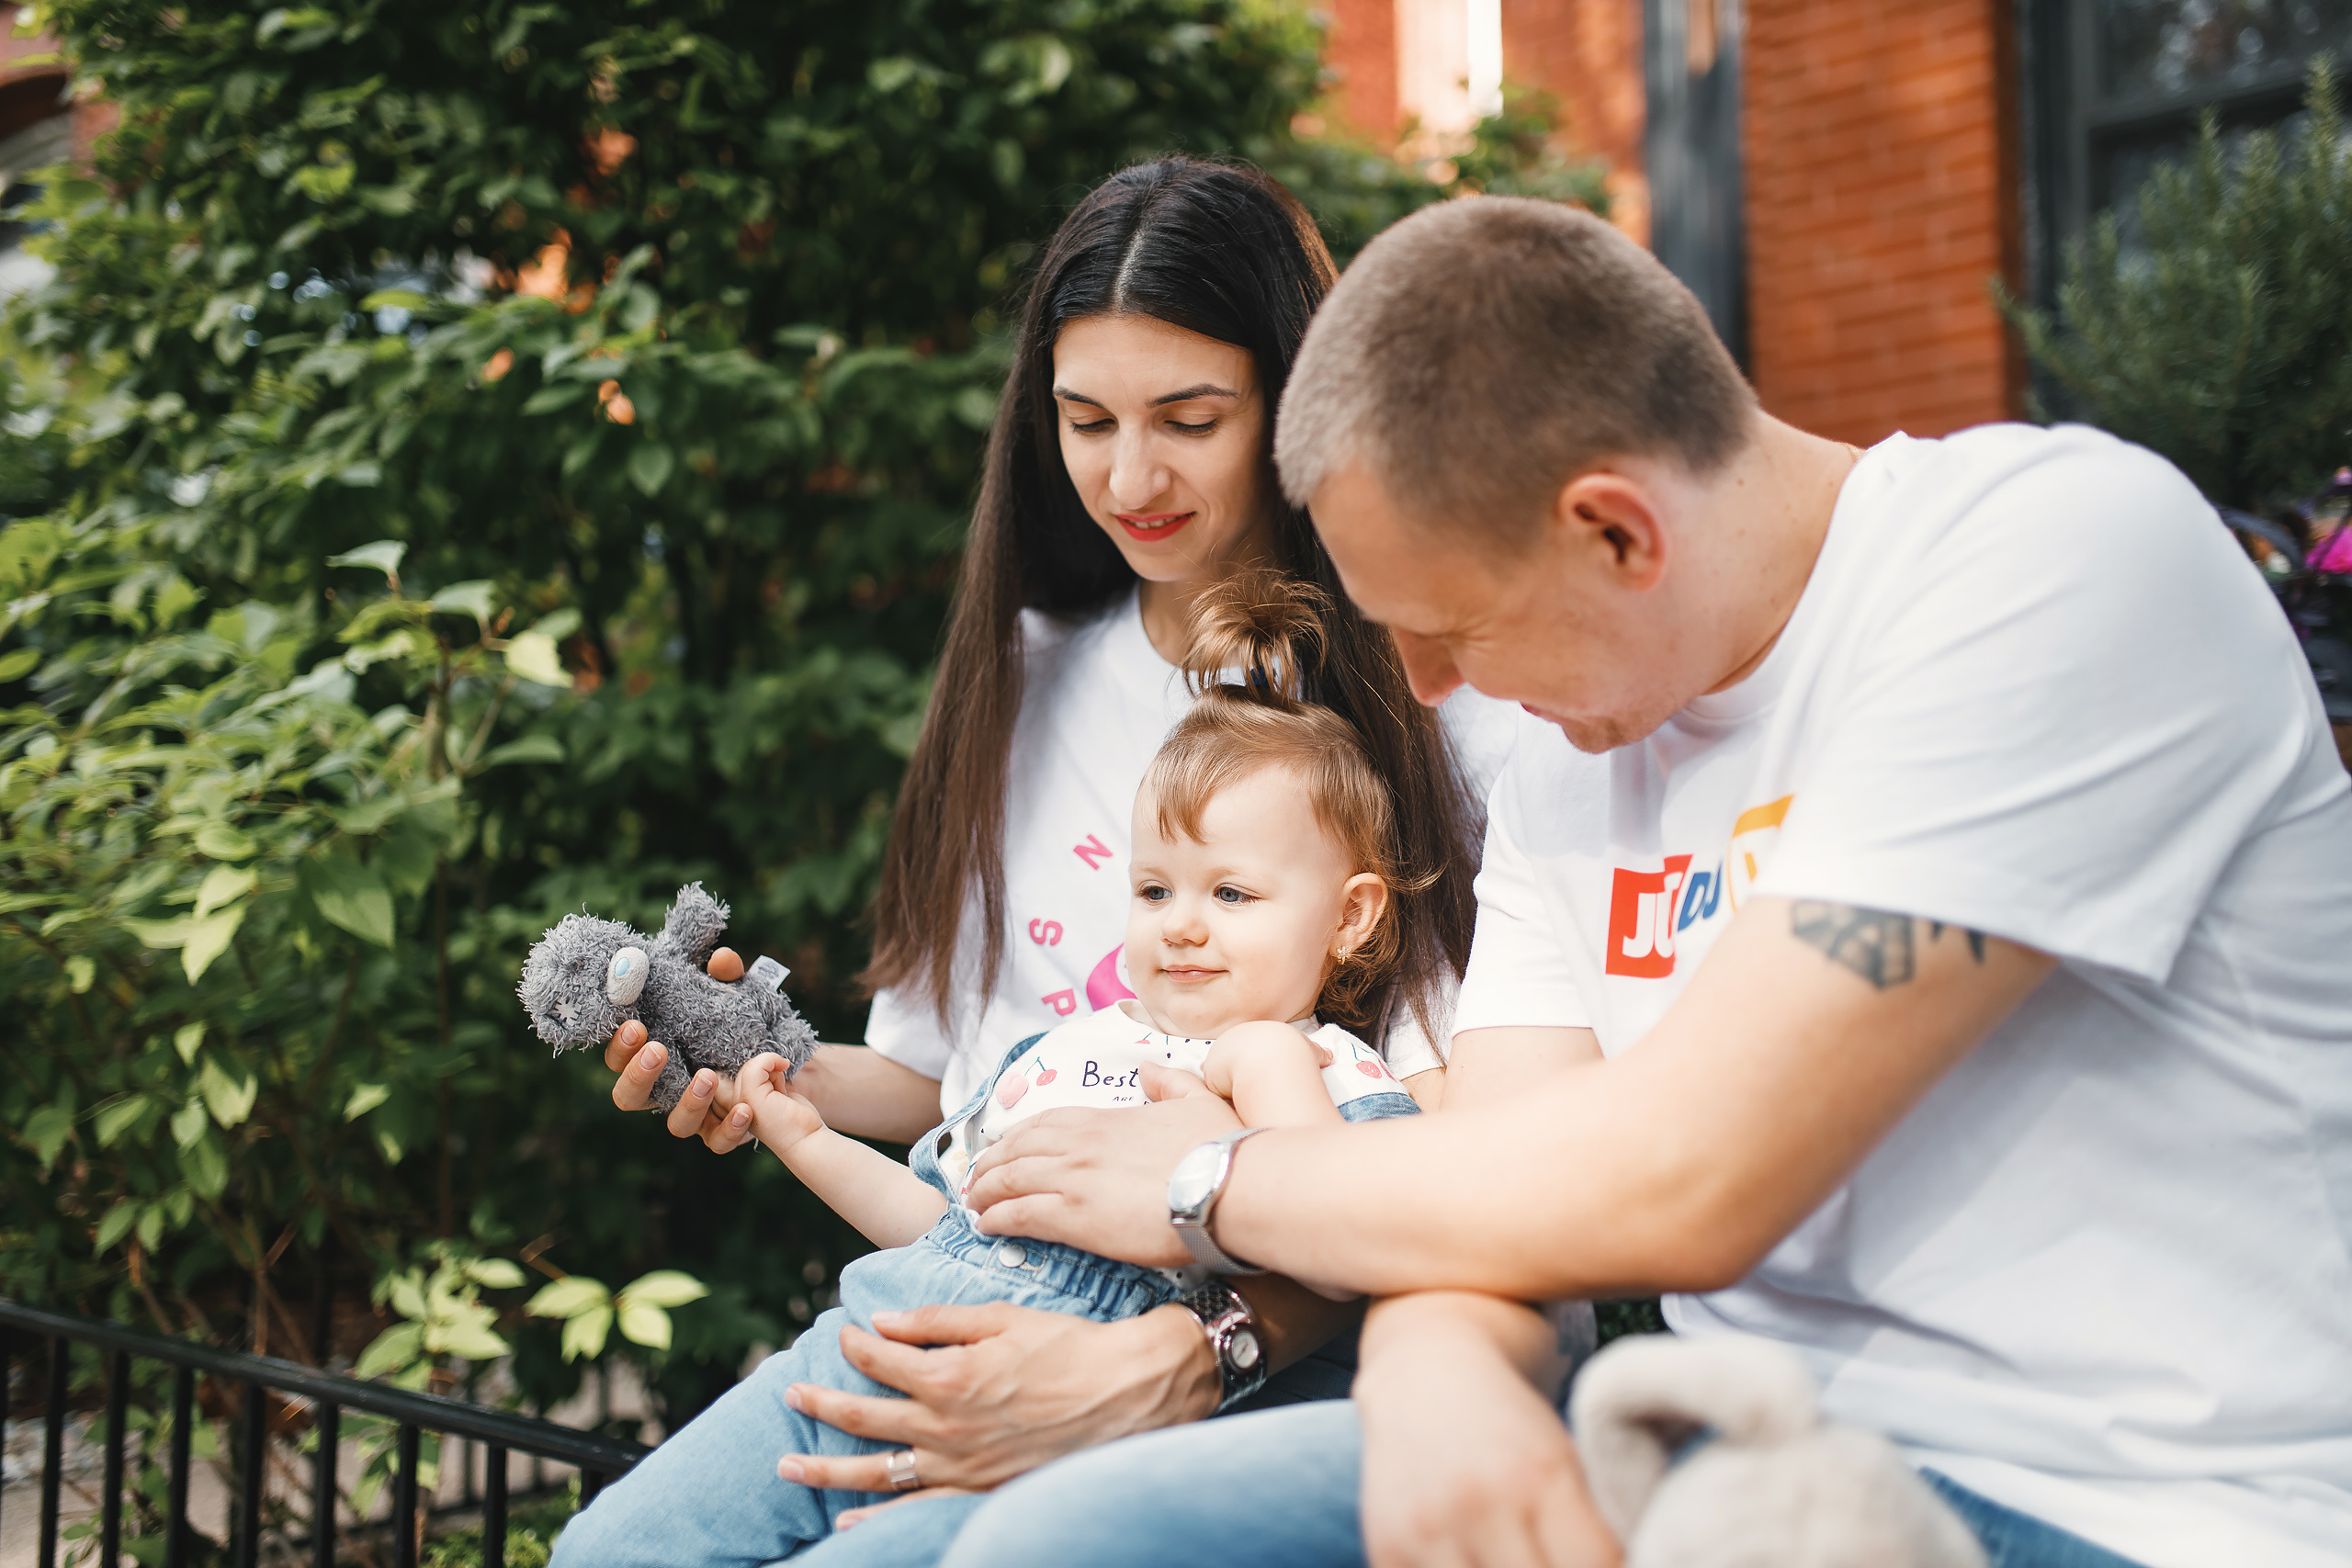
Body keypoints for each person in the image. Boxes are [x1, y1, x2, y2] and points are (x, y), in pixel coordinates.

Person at [936, 198, 2352, 1568]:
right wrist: (1444, 1381)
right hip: (1725, 1462)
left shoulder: (2045, 560)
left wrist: (1207, 1176)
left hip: (2142, 1508)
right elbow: (1481, 1188)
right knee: (1061, 1539)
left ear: (1615, 527)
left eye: (1453, 630)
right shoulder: (1573, 767)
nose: (1424, 689)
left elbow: (1692, 1172)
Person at [561, 159, 1511, 1564]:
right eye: (1086, 420)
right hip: (940, 1283)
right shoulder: (1024, 673)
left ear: (1295, 405)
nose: (1132, 476)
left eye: (1192, 419)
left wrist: (1204, 1345)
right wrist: (751, 1064)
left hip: (1206, 1343)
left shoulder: (1431, 690)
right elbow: (944, 1075)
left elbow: (1454, 1148)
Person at [563, 583, 1440, 1560]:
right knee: (605, 1550)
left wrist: (1264, 1058)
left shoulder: (1320, 1067)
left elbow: (1339, 1224)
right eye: (1155, 888)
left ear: (1352, 915)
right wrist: (803, 1137)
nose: (1182, 922)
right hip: (866, 1348)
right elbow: (951, 1231)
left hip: (1044, 1419)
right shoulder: (1064, 1052)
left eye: (1232, 891)